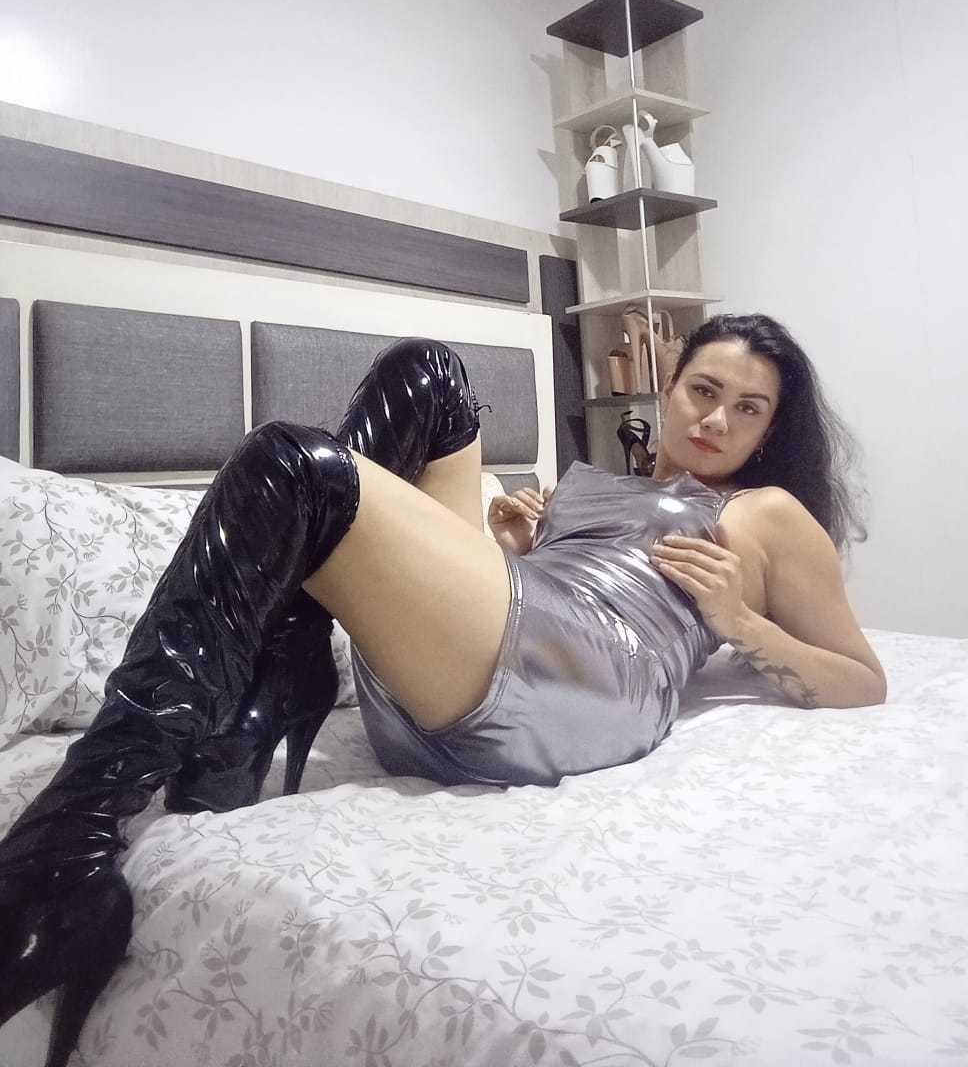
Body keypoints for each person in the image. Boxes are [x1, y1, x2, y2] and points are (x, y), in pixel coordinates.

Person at [0, 315, 886, 1064]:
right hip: (481, 655)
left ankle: (64, 847)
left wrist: (741, 622)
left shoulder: (768, 513)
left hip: (589, 677)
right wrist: (506, 548)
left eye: (747, 408)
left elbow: (863, 679)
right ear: (669, 387)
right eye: (704, 390)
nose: (717, 419)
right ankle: (288, 665)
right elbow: (489, 593)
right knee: (424, 375)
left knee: (290, 463)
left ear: (769, 430)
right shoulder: (589, 481)